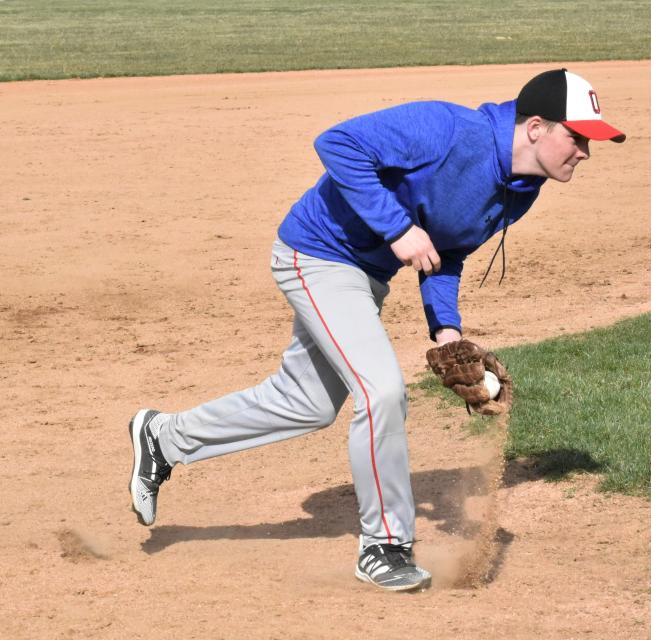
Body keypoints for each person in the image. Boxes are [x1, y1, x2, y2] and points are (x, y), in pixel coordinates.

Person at [128, 68, 625, 592]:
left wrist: (447, 332)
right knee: (380, 390)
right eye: (577, 138)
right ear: (536, 127)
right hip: (316, 254)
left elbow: (447, 251)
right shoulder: (447, 128)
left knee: (306, 404)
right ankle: (384, 546)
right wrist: (399, 227)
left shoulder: (521, 190)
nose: (585, 153)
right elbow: (337, 143)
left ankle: (164, 437)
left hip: (366, 277)